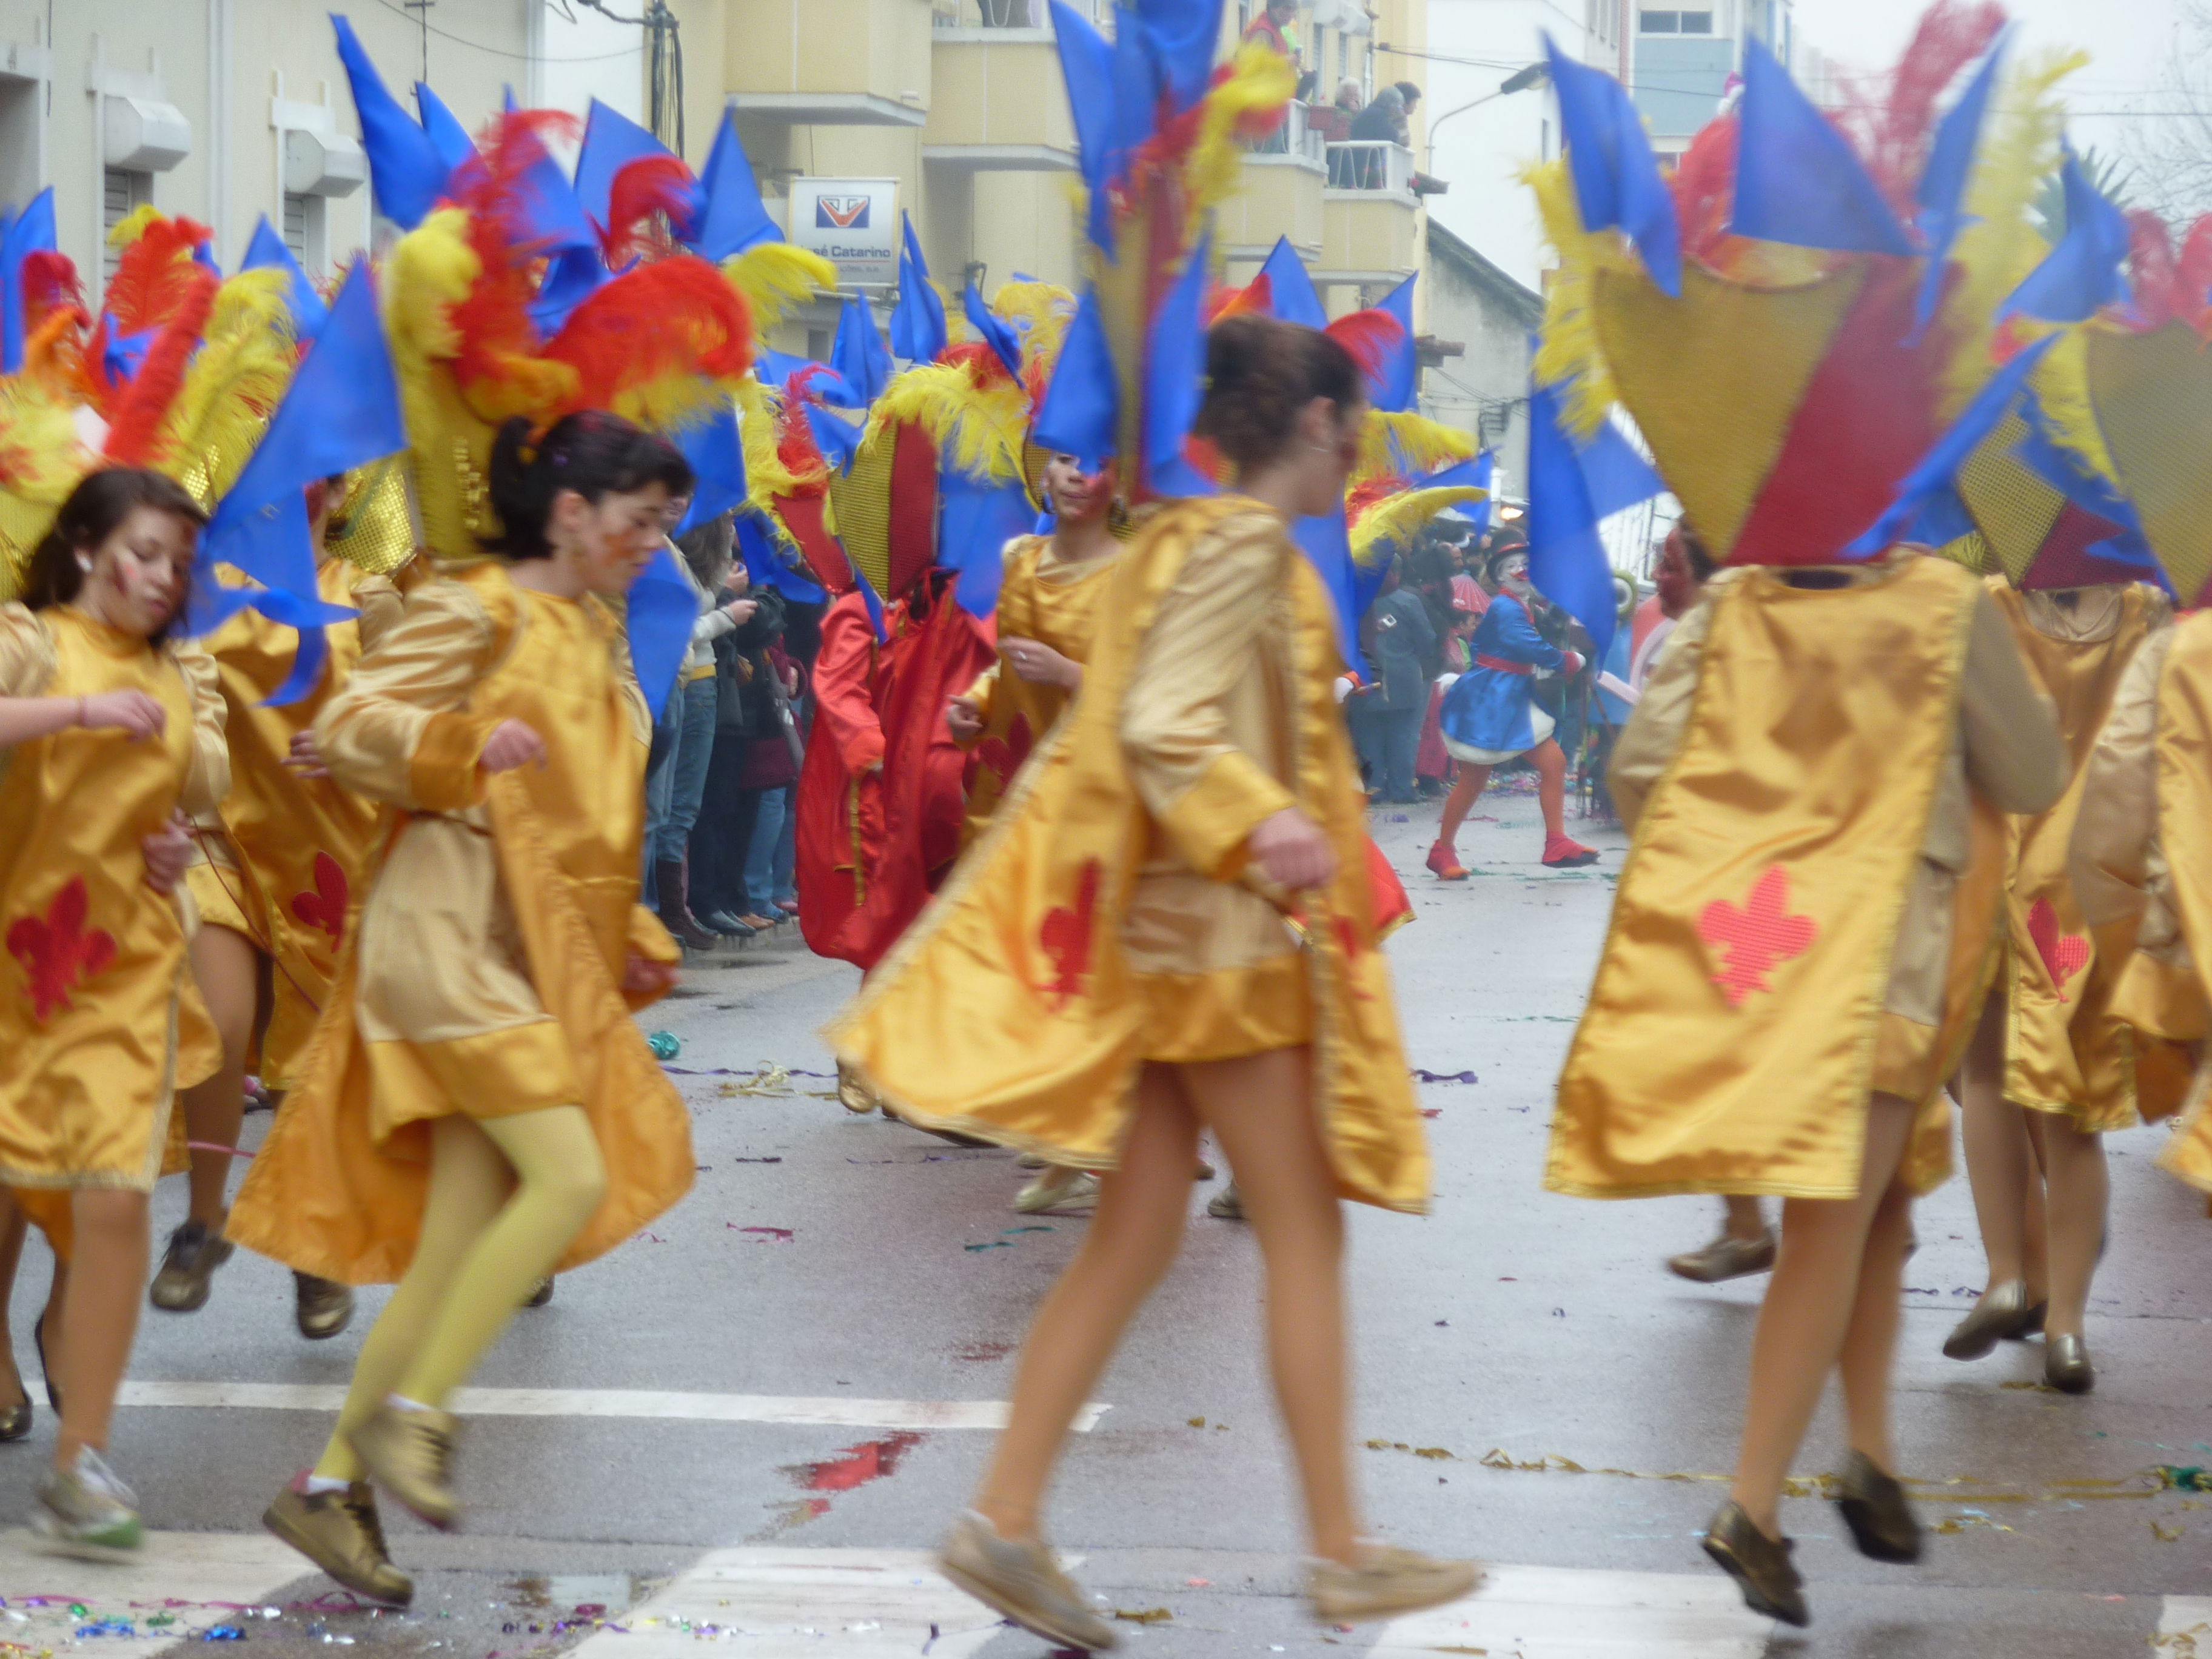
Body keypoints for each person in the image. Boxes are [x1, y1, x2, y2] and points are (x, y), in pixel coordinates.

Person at [831, 312, 1478, 1651]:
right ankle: (1342, 1553)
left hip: (1163, 936)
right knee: (1303, 1232)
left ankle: (1005, 1519)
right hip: (1221, 947)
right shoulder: (1235, 544)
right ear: (1311, 425)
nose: (1358, 449)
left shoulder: (1175, 541)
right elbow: (1160, 720)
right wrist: (1258, 821)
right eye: (1349, 425)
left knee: (1135, 1238)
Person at [230, 412, 695, 1604]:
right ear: (572, 511)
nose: (654, 543)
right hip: (441, 944)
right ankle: (415, 1415)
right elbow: (354, 725)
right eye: (642, 521)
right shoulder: (471, 605)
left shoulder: (585, 629)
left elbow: (586, 820)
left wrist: (624, 938)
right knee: (574, 1174)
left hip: (525, 955)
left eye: (665, 524)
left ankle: (331, 1490)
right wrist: (466, 742)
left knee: (450, 1253)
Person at [1555, 545, 2065, 1626]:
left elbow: (1640, 769)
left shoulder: (1727, 609)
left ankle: (1871, 1458)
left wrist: (1742, 839)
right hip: (1885, 957)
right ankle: (1751, 1506)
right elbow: (2030, 777)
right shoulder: (1943, 602)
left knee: (1878, 1206)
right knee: (1830, 1219)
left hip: (1763, 944)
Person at [0, 468, 229, 1551]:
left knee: (115, 1201)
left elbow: (180, 803)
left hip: (121, 975)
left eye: (178, 563)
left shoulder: (175, 672)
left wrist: (172, 850)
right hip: (10, 967)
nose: (160, 578)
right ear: (88, 546)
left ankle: (79, 1455)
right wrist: (79, 710)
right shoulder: (36, 640)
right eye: (143, 551)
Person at [158, 473, 400, 1339]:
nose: (305, 492)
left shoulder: (365, 596)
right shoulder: (194, 596)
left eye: (323, 480)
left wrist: (358, 747)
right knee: (219, 1028)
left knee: (311, 1069)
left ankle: (310, 1244)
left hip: (329, 865)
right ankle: (205, 1220)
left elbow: (419, 716)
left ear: (344, 495)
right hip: (217, 849)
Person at [1945, 577, 2169, 1393]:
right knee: (2070, 1104)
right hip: (2093, 877)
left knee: (1985, 1075)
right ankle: (2067, 1326)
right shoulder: (2143, 609)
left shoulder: (1990, 603)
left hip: (1993, 859)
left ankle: (2008, 1274)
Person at [1636, 525, 1774, 1284]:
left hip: (1743, 883)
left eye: (1671, 562)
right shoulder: (1705, 629)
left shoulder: (1719, 632)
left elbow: (1645, 766)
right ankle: (1756, 1219)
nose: (1659, 575)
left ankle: (1844, 1219)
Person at [1428, 541, 1600, 876]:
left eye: (1527, 563)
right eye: (1513, 565)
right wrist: (1565, 660)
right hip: (1489, 700)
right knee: (1473, 780)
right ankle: (1442, 849)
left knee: (1554, 763)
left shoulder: (1523, 605)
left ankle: (1557, 841)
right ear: (1499, 576)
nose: (1522, 569)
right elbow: (1525, 644)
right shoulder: (1507, 608)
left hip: (1510, 697)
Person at [642, 503, 754, 950]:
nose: (677, 503)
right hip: (665, 678)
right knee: (655, 810)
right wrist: (726, 617)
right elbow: (677, 624)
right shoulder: (651, 549)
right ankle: (652, 912)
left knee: (674, 809)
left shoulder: (666, 547)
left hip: (685, 679)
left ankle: (668, 909)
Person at [1354, 558, 1434, 804]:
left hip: (1364, 679)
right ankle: (1402, 790)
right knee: (1404, 738)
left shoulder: (1354, 602)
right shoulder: (1409, 601)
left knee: (1369, 740)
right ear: (1397, 574)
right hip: (1405, 680)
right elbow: (1427, 639)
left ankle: (1374, 791)